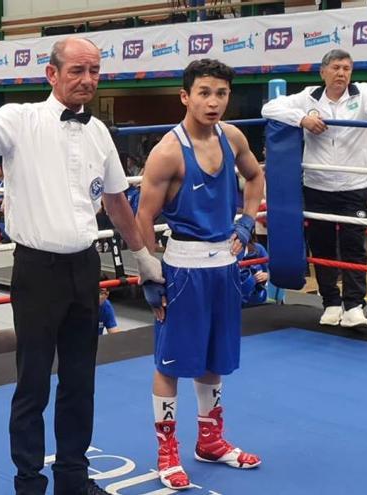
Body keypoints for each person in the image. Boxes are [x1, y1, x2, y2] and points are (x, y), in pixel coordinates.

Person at [0, 37, 163, 495]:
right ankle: (28, 483)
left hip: (84, 268)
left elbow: (115, 202)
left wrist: (145, 257)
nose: (87, 80)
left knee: (80, 380)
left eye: (94, 70)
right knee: (32, 383)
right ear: (52, 74)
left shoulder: (99, 133)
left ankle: (73, 478)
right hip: (36, 269)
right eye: (77, 71)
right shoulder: (19, 118)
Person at [136, 59, 265, 490]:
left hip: (224, 267)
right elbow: (143, 216)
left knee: (214, 359)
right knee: (170, 363)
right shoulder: (168, 152)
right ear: (185, 96)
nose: (213, 102)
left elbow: (255, 175)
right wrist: (151, 275)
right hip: (184, 269)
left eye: (221, 94)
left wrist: (247, 220)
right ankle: (166, 451)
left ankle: (210, 441)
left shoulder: (232, 136)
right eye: (204, 92)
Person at [261, 49, 367, 328]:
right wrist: (302, 119)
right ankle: (331, 303)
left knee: (353, 247)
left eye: (347, 68)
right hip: (318, 186)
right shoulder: (309, 97)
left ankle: (354, 306)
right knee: (323, 247)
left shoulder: (363, 92)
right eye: (336, 67)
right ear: (323, 72)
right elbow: (269, 108)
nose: (342, 73)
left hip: (353, 185)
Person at [236, 235, 269, 306]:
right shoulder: (226, 253)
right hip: (235, 299)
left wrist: (267, 276)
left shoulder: (258, 248)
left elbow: (272, 270)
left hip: (257, 298)